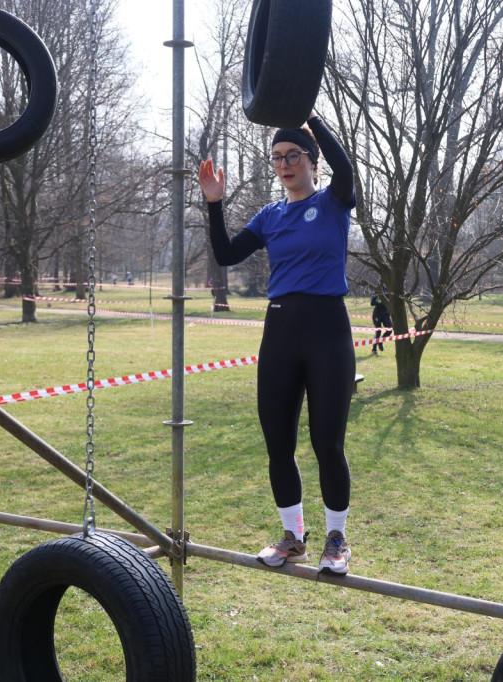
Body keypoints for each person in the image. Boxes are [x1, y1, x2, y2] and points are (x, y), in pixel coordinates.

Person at [198, 112, 357, 575]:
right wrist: (214, 204)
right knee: (278, 443)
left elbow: (347, 169)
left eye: (292, 156)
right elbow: (226, 253)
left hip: (328, 330)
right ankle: (293, 538)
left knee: (327, 443)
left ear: (312, 160)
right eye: (277, 158)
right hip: (281, 330)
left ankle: (336, 539)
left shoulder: (334, 201)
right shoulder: (270, 215)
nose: (284, 165)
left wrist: (309, 116)